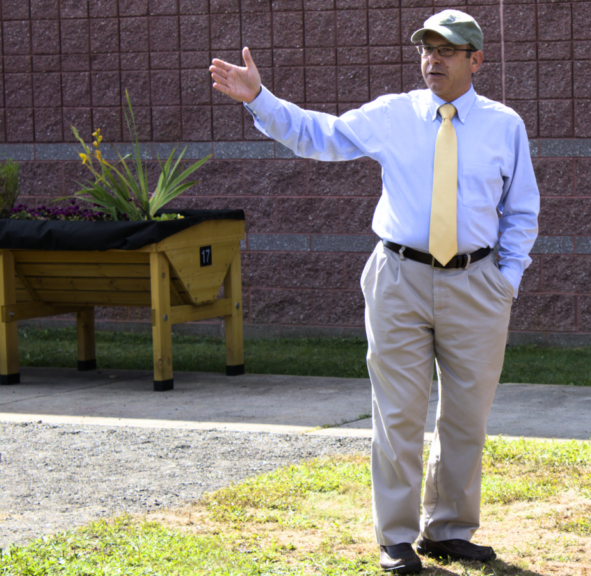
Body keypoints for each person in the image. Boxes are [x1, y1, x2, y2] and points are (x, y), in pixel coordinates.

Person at [210, 10, 539, 574]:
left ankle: (450, 530)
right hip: (398, 280)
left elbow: (522, 209)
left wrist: (505, 279)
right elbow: (320, 136)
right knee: (398, 413)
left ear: (475, 60)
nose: (433, 58)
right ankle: (396, 538)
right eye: (426, 48)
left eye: (447, 50)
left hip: (477, 285)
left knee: (466, 417)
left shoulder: (505, 124)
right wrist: (259, 98)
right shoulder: (394, 113)